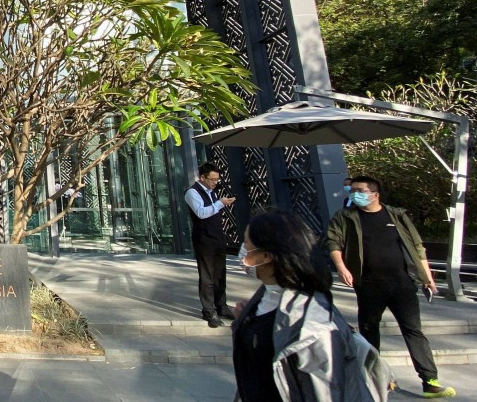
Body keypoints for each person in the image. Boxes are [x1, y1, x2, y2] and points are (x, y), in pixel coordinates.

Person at [232, 209, 393, 401]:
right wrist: (248, 319)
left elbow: (324, 392)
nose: (242, 250)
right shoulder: (263, 299)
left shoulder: (315, 325)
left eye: (247, 245)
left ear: (267, 256)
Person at [325, 175, 457, 398]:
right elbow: (333, 242)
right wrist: (341, 267)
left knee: (413, 330)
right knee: (369, 331)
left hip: (402, 284)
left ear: (375, 194)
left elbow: (417, 246)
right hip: (368, 284)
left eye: (359, 190)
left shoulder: (396, 215)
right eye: (352, 190)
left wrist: (426, 276)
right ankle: (372, 378)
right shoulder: (345, 217)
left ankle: (430, 380)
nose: (353, 193)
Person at [185, 162, 236, 327]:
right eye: (212, 179)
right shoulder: (192, 192)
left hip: (217, 238)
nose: (215, 183)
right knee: (207, 276)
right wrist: (220, 203)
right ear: (202, 177)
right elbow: (201, 213)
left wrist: (220, 202)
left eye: (217, 180)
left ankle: (222, 306)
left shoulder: (213, 193)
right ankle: (209, 311)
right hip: (204, 239)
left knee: (220, 274)